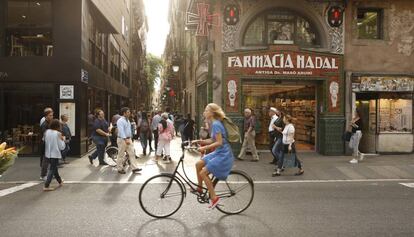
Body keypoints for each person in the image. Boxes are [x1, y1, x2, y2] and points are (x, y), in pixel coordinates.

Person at [193, 103, 234, 209]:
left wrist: (203, 148)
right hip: (219, 152)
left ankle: (214, 197)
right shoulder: (213, 123)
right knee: (198, 164)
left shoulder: (216, 124)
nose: (204, 112)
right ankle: (200, 189)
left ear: (211, 113)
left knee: (203, 172)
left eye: (206, 110)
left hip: (223, 153)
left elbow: (219, 142)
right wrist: (199, 141)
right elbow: (212, 139)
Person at [116, 107, 142, 174]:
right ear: (124, 113)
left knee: (132, 153)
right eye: (128, 112)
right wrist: (125, 139)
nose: (129, 113)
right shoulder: (120, 121)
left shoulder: (127, 120)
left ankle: (134, 168)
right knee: (121, 154)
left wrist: (130, 137)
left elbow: (128, 130)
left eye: (129, 112)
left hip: (128, 139)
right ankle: (120, 168)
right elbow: (121, 131)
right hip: (122, 139)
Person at [43, 119, 66, 191]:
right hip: (55, 154)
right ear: (58, 126)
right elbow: (61, 147)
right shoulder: (58, 134)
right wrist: (63, 140)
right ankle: (46, 185)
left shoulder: (46, 132)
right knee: (52, 169)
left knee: (54, 169)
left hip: (48, 153)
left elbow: (43, 140)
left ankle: (60, 181)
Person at [40, 109, 54, 180]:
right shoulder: (44, 124)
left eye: (52, 115)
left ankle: (52, 173)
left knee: (52, 160)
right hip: (46, 143)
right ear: (46, 116)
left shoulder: (49, 123)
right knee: (46, 160)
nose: (52, 117)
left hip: (50, 143)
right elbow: (46, 135)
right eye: (50, 115)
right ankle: (43, 175)